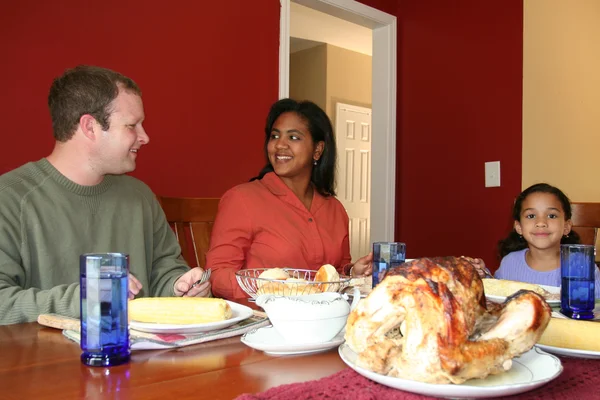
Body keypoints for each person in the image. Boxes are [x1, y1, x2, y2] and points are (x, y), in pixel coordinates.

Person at [0, 65, 210, 325]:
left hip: (140, 359)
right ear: (90, 127)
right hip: (44, 361)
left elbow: (164, 272)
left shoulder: (140, 197)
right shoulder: (9, 200)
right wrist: (84, 299)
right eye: (132, 125)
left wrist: (181, 287)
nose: (145, 137)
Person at [207, 99, 372, 301]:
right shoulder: (242, 199)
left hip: (322, 322)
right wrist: (273, 286)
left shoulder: (335, 209)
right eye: (274, 136)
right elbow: (218, 275)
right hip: (262, 322)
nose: (279, 145)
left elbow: (335, 273)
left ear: (318, 150)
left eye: (293, 137)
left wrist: (353, 274)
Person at [495, 183, 600, 296]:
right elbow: (494, 298)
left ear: (566, 226)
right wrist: (481, 275)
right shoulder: (509, 263)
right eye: (531, 216)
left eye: (551, 216)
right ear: (519, 227)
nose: (541, 223)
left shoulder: (582, 267)